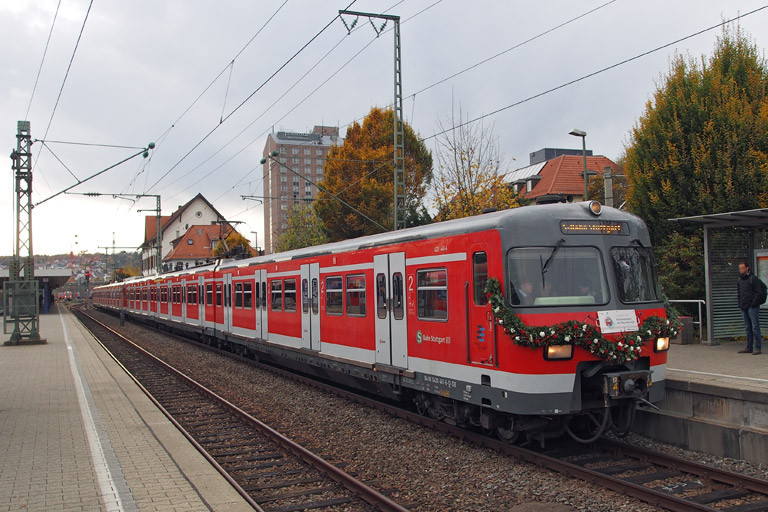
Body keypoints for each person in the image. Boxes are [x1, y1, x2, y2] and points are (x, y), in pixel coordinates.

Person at [737, 261, 762, 355]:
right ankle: (748, 347)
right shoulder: (740, 279)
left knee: (755, 327)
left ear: (747, 268)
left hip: (752, 307)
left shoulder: (753, 279)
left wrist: (753, 303)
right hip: (744, 306)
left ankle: (758, 347)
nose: (741, 270)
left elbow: (758, 292)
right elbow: (739, 293)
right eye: (740, 268)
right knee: (748, 327)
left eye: (742, 268)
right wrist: (740, 304)